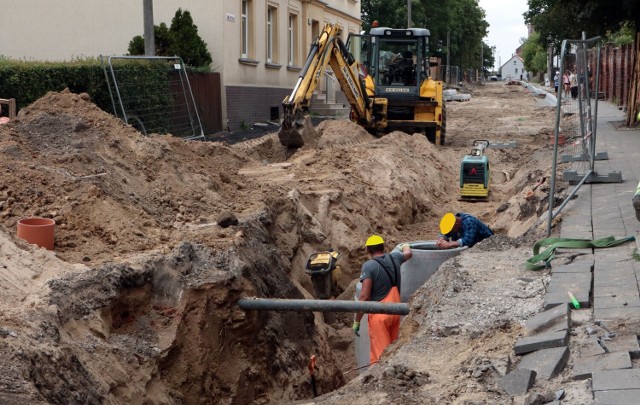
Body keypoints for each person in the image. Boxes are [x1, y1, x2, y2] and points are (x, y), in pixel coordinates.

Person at [353, 235, 412, 364]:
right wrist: (405, 245)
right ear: (383, 247)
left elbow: (364, 296)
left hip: (380, 317)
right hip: (396, 312)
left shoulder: (369, 266)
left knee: (380, 358)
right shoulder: (395, 258)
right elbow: (408, 253)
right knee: (393, 352)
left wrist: (357, 320)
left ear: (368, 250)